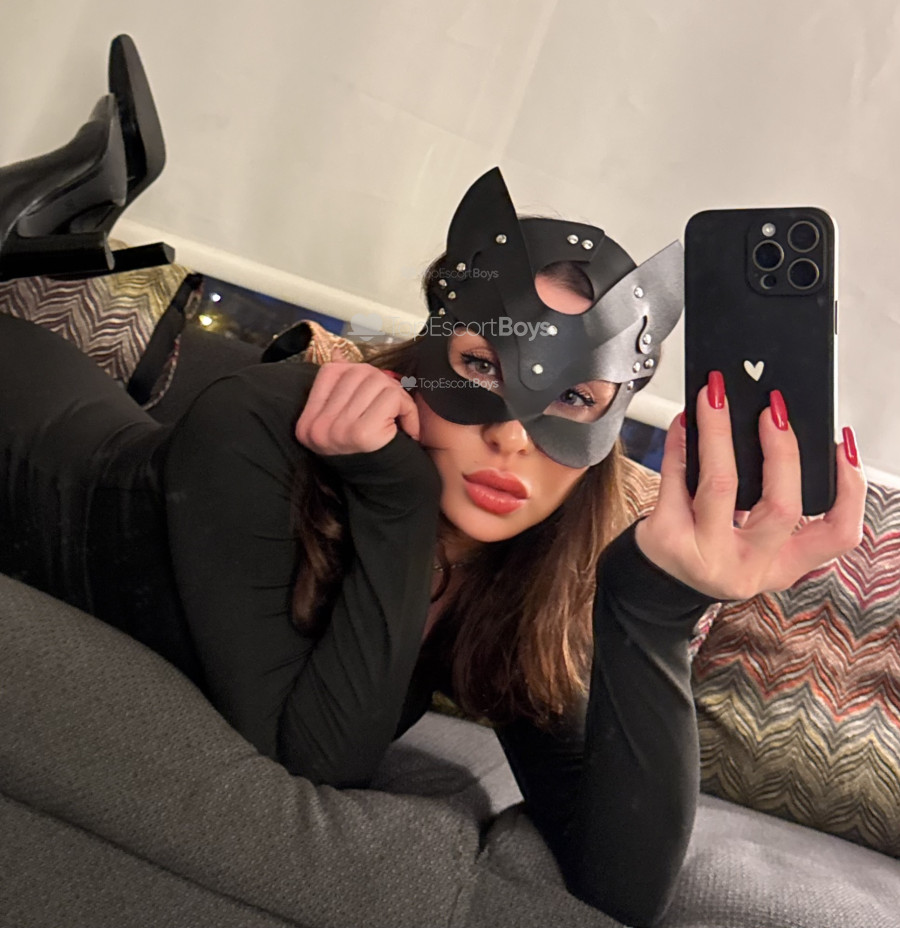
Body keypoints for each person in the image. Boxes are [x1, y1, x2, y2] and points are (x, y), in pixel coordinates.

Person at [0, 147, 865, 928]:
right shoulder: (259, 424)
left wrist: (656, 607)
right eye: (483, 366)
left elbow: (622, 887)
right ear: (423, 357)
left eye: (573, 397)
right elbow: (311, 761)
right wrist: (397, 499)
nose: (513, 435)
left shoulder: (523, 569)